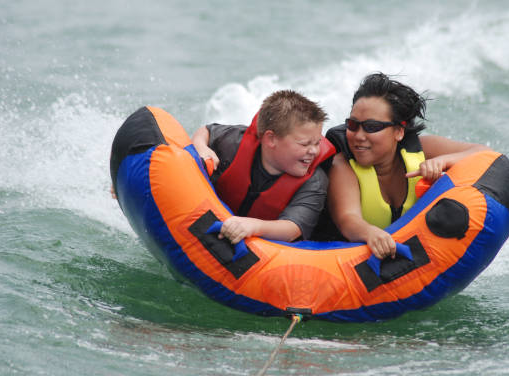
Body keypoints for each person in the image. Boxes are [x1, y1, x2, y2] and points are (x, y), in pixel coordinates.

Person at [326, 73, 490, 259]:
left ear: (398, 132)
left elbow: (485, 154)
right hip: (349, 258)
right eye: (353, 125)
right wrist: (369, 232)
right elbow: (348, 218)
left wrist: (443, 161)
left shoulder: (424, 150)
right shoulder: (342, 165)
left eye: (371, 127)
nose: (359, 136)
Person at [192, 90, 335, 244]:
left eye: (317, 142)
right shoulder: (234, 143)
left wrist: (254, 226)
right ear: (271, 139)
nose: (314, 151)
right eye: (305, 143)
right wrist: (201, 147)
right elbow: (206, 131)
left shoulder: (314, 181)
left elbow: (293, 228)